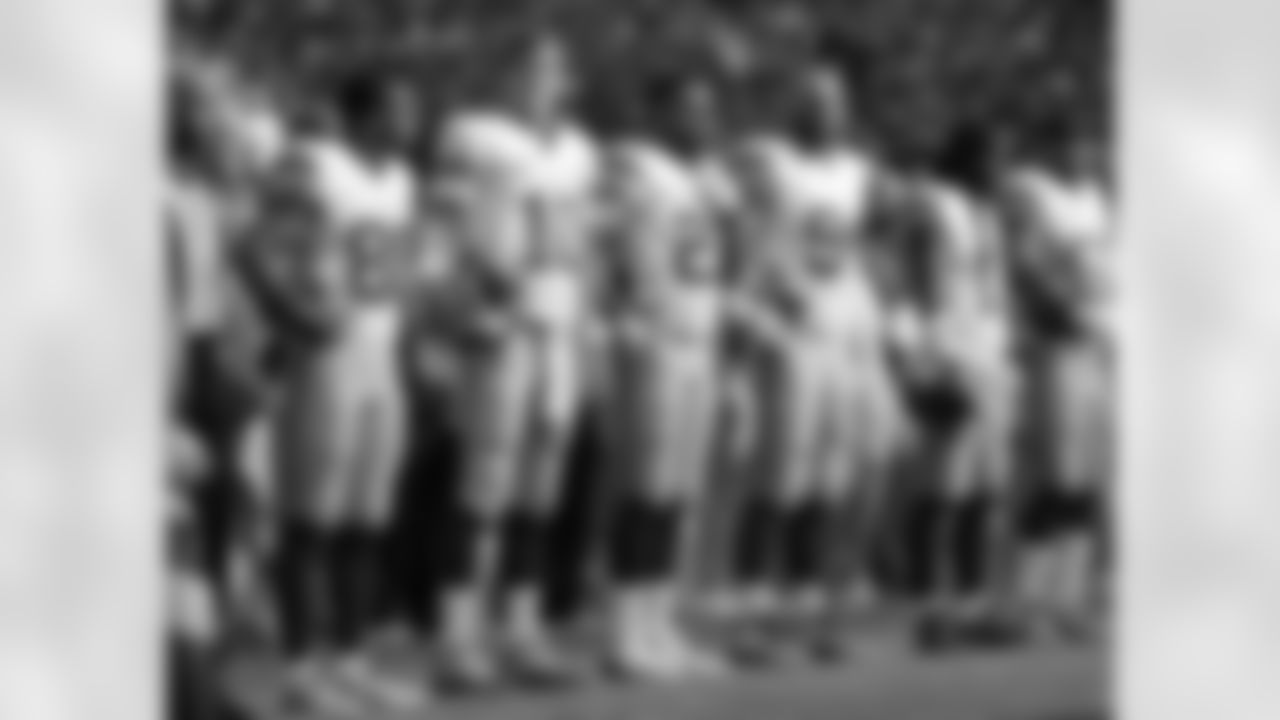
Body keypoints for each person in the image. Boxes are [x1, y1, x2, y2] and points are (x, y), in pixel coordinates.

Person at [430, 33, 602, 690]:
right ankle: (455, 634)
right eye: (533, 65)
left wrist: (589, 326)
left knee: (540, 492)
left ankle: (521, 629)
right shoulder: (475, 137)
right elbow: (440, 236)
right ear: (504, 74)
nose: (546, 78)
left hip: (559, 330)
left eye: (557, 67)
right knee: (482, 488)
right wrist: (461, 313)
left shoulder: (580, 150)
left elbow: (583, 248)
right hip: (501, 330)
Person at [263, 74, 430, 713]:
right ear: (361, 115)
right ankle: (301, 669)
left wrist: (412, 351)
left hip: (380, 354)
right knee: (311, 520)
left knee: (368, 518)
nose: (410, 119)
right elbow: (254, 244)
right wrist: (292, 316)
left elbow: (402, 268)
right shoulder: (317, 165)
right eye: (398, 106)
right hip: (327, 357)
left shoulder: (402, 179)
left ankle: (350, 659)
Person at [595, 69, 734, 680]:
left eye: (708, 109)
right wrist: (616, 318)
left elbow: (718, 258)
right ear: (660, 114)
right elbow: (597, 243)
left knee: (678, 495)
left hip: (700, 339)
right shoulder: (635, 166)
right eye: (690, 109)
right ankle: (626, 631)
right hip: (653, 340)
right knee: (645, 492)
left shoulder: (706, 178)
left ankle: (659, 625)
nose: (704, 121)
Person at [908, 125, 1021, 646]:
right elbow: (922, 286)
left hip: (989, 357)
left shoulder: (988, 214)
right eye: (994, 157)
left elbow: (992, 291)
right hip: (952, 355)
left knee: (984, 491)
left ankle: (974, 606)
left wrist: (1002, 354)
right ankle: (932, 609)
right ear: (969, 159)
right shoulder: (938, 206)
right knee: (943, 492)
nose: (1001, 168)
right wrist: (931, 360)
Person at [1005, 127, 1114, 641]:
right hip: (1058, 348)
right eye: (1072, 143)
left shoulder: (1096, 199)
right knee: (1056, 479)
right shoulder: (1038, 197)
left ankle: (1068, 604)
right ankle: (1028, 604)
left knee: (1087, 483)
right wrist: (1060, 309)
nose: (1083, 151)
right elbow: (1025, 268)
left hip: (1096, 346)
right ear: (1055, 150)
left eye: (1087, 144)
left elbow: (1105, 273)